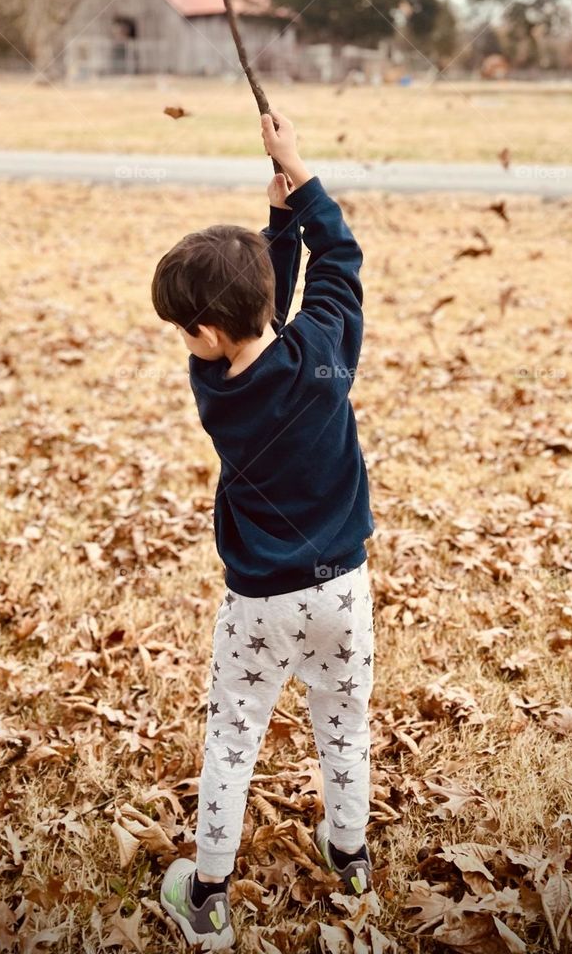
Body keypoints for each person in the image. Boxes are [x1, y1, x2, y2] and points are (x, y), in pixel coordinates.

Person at [151, 110, 376, 949]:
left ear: (204, 337)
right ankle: (349, 859)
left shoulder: (214, 386)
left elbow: (251, 316)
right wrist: (301, 187)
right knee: (345, 725)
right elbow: (341, 267)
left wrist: (275, 224)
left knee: (234, 737)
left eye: (185, 329)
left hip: (259, 606)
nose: (186, 341)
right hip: (344, 591)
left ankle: (208, 891)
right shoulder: (324, 355)